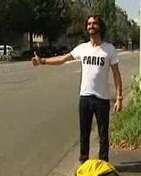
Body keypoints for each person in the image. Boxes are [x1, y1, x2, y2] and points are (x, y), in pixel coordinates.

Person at [31, 15, 123, 163]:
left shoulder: (109, 49)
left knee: (103, 134)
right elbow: (62, 59)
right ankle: (84, 162)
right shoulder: (83, 48)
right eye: (89, 24)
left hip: (102, 99)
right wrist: (42, 61)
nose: (91, 26)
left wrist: (119, 98)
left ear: (100, 26)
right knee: (84, 133)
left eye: (94, 23)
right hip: (85, 98)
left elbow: (116, 75)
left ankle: (104, 163)